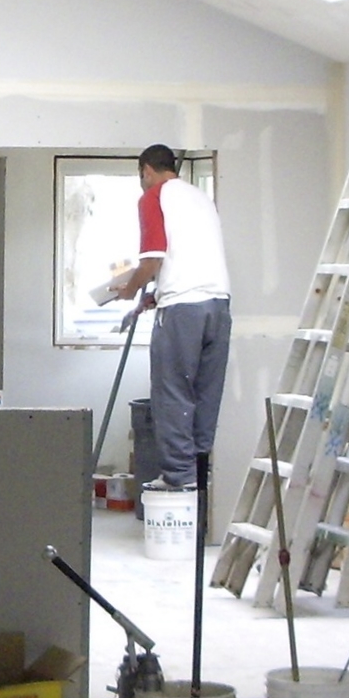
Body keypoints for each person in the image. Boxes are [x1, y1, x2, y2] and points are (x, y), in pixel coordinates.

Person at [108, 145, 231, 491]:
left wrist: (130, 289)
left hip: (182, 310)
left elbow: (152, 261)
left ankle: (179, 479)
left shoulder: (153, 198)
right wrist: (154, 295)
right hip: (218, 306)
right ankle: (200, 473)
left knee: (173, 393)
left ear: (146, 170)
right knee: (206, 393)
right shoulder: (200, 198)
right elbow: (187, 258)